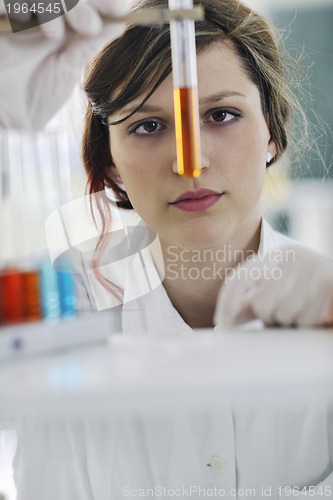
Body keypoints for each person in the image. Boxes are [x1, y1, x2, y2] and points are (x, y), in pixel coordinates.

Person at [3, 0, 333, 498]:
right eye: (147, 126)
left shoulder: (324, 304)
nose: (190, 161)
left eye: (222, 114)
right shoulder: (63, 312)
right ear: (111, 164)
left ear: (272, 133)